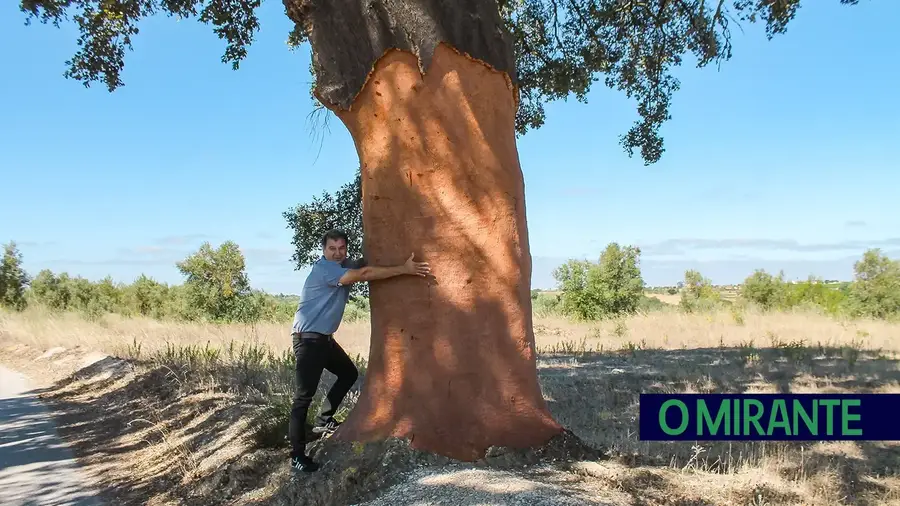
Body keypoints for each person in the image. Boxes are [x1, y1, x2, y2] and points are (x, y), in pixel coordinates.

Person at [288, 229, 431, 473]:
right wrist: (404, 269)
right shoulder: (325, 269)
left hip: (324, 341)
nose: (337, 253)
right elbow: (364, 273)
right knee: (303, 398)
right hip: (308, 341)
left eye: (341, 248)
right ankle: (296, 455)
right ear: (323, 250)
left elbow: (363, 264)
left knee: (348, 374)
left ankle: (324, 421)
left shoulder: (342, 265)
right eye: (332, 248)